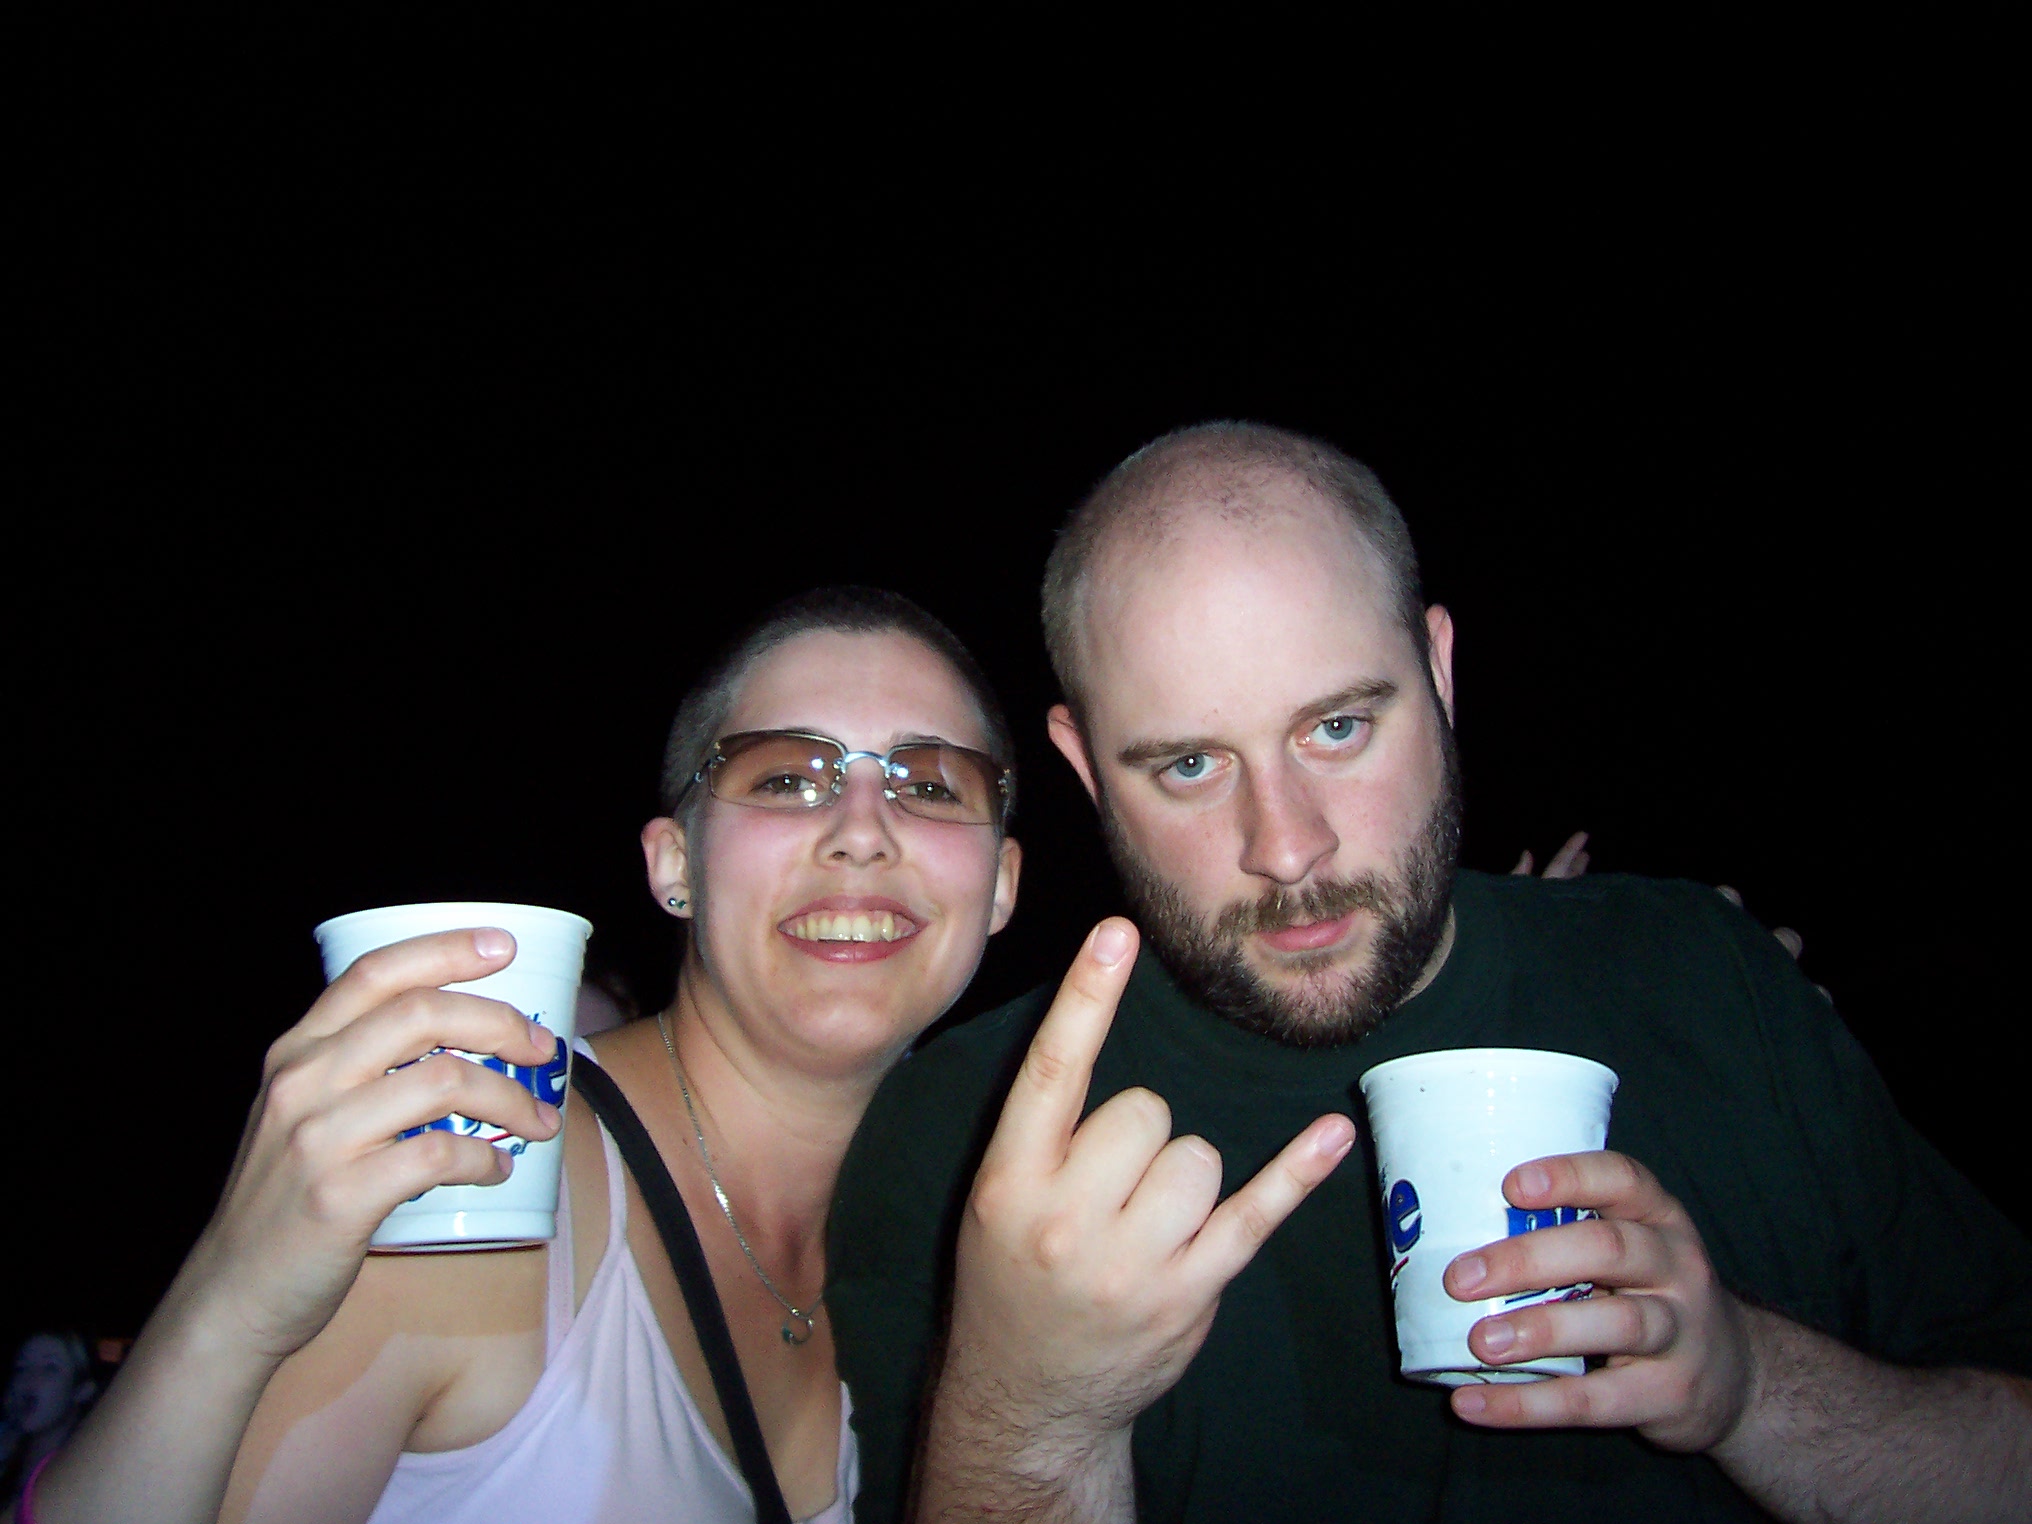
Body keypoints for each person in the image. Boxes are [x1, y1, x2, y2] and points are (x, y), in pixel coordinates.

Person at [828, 423, 2032, 1523]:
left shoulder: (1708, 975)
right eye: (1189, 765)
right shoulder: (960, 1143)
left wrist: (1751, 1385)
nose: (1286, 846)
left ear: (1440, 673)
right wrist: (1034, 1415)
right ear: (1087, 768)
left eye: (1338, 728)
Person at [19, 586, 1023, 1524]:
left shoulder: (975, 1242)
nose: (862, 832)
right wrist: (224, 1304)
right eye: (787, 778)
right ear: (675, 863)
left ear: (1001, 885)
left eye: (930, 786)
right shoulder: (478, 1175)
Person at [0, 1332, 97, 1517]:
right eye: (21, 1367)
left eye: (50, 1368)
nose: (28, 1378)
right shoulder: (6, 1449)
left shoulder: (87, 1475)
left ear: (82, 1390)